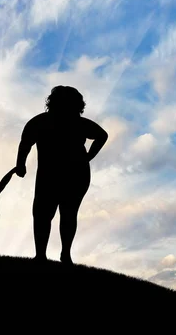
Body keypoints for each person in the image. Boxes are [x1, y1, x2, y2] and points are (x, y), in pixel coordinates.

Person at [15, 85, 108, 264]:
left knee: (49, 213)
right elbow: (25, 143)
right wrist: (89, 156)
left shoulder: (42, 121)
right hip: (69, 173)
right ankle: (55, 255)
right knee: (62, 213)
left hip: (61, 174)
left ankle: (51, 255)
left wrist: (21, 164)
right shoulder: (73, 122)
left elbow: (25, 143)